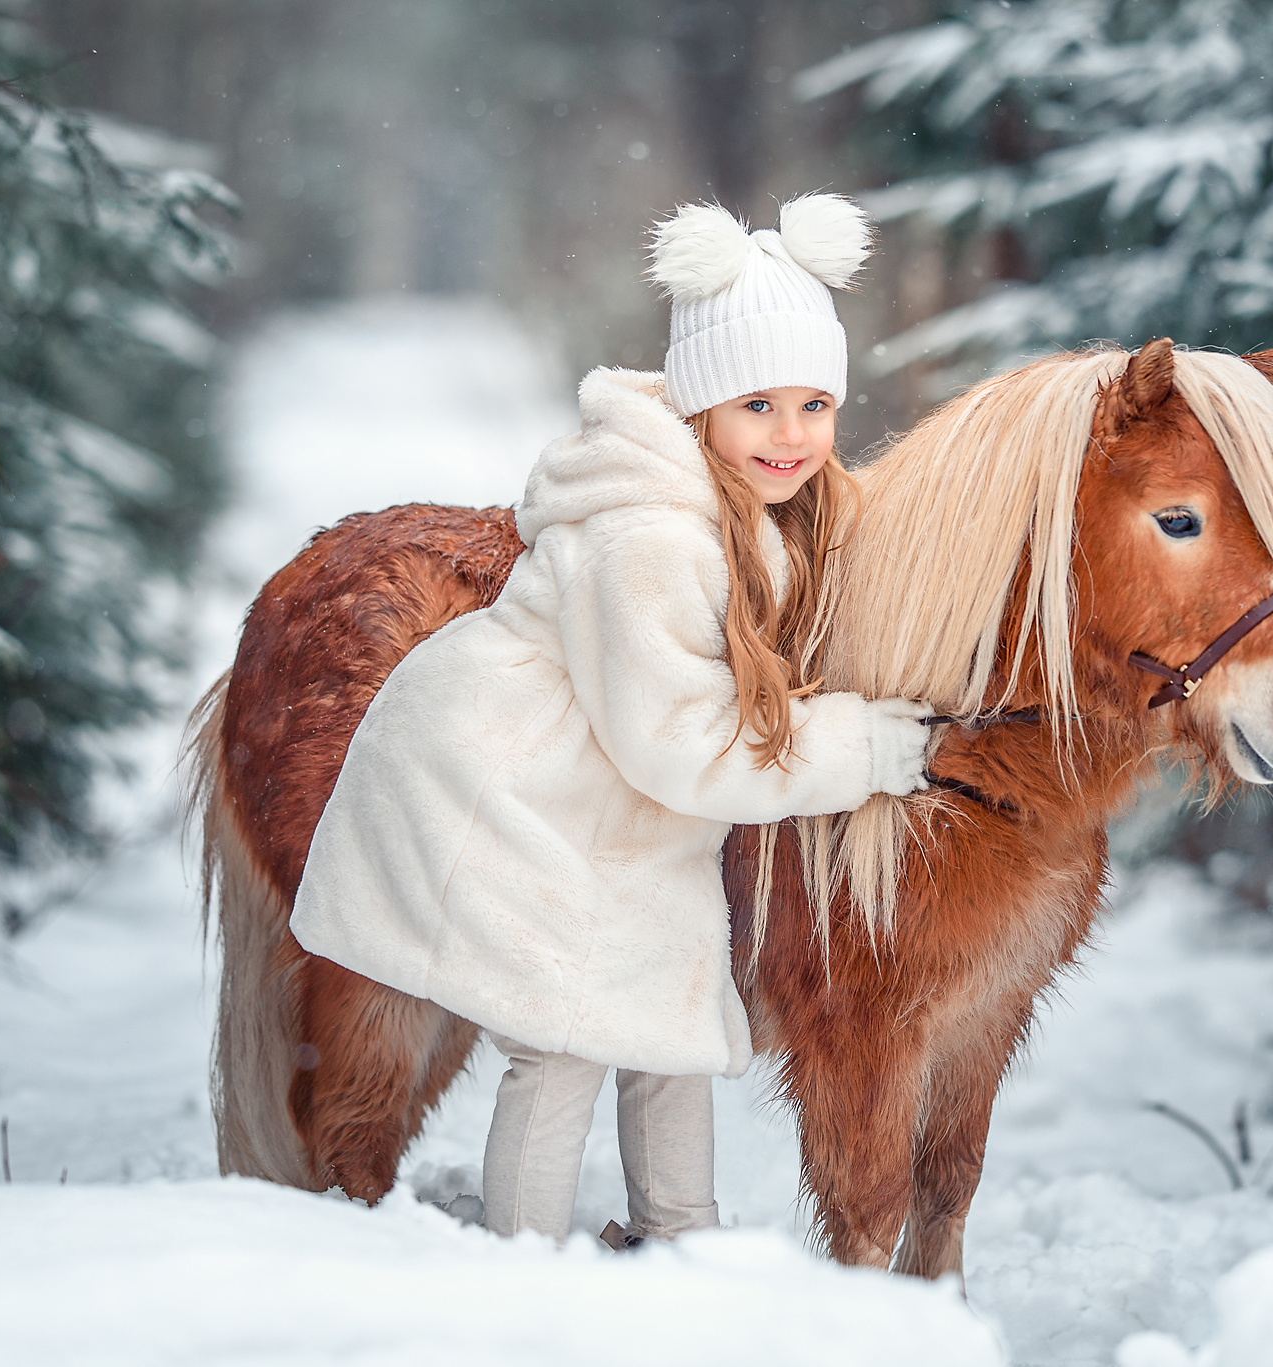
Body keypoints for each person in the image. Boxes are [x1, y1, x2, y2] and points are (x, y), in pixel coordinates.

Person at [288, 194, 932, 1246]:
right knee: (564, 1037)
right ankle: (522, 1264)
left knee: (667, 1021)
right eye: (757, 402)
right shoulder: (651, 539)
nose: (790, 433)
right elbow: (684, 744)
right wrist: (867, 747)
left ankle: (681, 1237)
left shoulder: (757, 513)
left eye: (814, 403)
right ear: (697, 408)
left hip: (608, 804)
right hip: (501, 786)